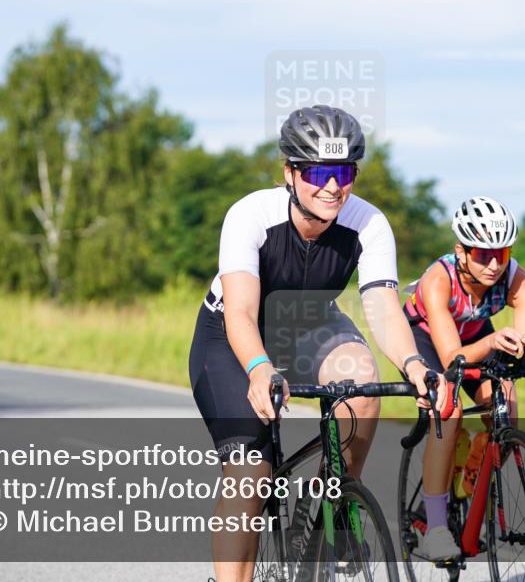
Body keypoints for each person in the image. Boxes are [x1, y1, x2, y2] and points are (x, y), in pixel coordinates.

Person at [189, 105, 446, 582]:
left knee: (363, 386)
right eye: (318, 172)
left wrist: (413, 364)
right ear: (290, 172)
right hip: (233, 336)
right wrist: (260, 367)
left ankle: (338, 495)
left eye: (344, 172)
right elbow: (242, 312)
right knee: (250, 477)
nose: (333, 186)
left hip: (310, 323)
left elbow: (385, 309)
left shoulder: (368, 223)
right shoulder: (250, 215)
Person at [402, 196, 525, 560]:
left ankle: (469, 473)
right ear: (460, 251)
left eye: (503, 252)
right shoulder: (439, 280)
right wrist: (495, 340)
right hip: (429, 339)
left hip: (477, 335)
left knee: (505, 409)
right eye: (482, 254)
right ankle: (435, 526)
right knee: (446, 411)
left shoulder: (521, 282)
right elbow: (452, 358)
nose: (494, 264)